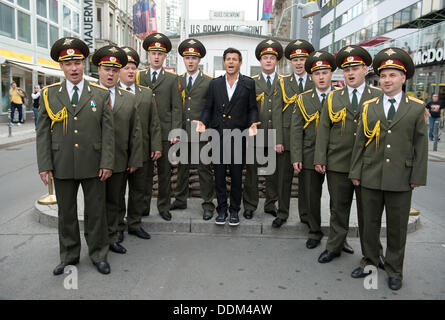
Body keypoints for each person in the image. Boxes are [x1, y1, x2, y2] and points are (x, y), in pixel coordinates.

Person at [349, 47, 428, 290]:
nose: (387, 80)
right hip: (370, 174)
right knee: (368, 224)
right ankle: (370, 261)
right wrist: (355, 172)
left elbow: (420, 145)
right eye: (383, 76)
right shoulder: (369, 106)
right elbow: (360, 142)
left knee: (397, 227)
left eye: (392, 75)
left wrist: (417, 177)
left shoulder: (416, 107)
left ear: (403, 78)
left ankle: (395, 270)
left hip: (401, 178)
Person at [36, 37, 114, 275]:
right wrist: (45, 165)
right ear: (61, 67)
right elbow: (42, 134)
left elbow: (108, 133)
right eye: (68, 63)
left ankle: (99, 254)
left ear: (84, 64)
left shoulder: (100, 94)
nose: (73, 68)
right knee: (66, 214)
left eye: (77, 62)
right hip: (62, 164)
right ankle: (69, 255)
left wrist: (107, 162)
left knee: (96, 212)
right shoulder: (50, 95)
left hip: (93, 163)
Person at [314, 45, 382, 264]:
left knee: (368, 213)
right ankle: (335, 246)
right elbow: (324, 129)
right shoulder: (334, 97)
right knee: (338, 208)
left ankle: (372, 254)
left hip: (368, 164)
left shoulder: (378, 96)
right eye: (346, 69)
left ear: (365, 69)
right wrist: (320, 159)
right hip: (338, 163)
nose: (351, 73)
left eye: (355, 68)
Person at [197, 47, 259, 226]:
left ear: (240, 63)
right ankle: (221, 210)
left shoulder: (248, 84)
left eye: (234, 59)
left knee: (237, 176)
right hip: (218, 135)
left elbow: (252, 108)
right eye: (228, 59)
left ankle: (234, 211)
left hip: (239, 136)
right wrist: (203, 123)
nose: (231, 62)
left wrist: (253, 124)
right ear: (223, 62)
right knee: (219, 175)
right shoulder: (215, 84)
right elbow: (208, 107)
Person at [92, 45, 143, 255]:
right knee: (95, 205)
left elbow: (135, 132)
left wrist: (133, 159)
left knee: (115, 201)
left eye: (115, 70)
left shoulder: (128, 98)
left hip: (120, 160)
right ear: (99, 70)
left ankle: (112, 237)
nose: (110, 73)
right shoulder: (87, 94)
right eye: (106, 69)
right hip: (93, 160)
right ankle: (96, 241)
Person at [290, 50, 336, 249]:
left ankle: (337, 238)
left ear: (331, 74)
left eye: (325, 72)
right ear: (311, 76)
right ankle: (315, 231)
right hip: (309, 153)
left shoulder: (339, 97)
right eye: (317, 73)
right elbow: (296, 129)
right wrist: (296, 156)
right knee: (311, 196)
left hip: (336, 156)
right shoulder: (303, 98)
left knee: (338, 200)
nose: (321, 77)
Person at [136, 32, 182, 222]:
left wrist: (176, 132)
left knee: (164, 173)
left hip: (165, 134)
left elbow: (177, 107)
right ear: (148, 55)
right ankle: (143, 207)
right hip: (143, 134)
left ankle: (163, 206)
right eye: (153, 53)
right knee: (144, 173)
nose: (156, 57)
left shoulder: (172, 79)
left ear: (165, 57)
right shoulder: (139, 77)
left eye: (160, 54)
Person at [118, 46, 162, 242]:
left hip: (142, 151)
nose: (130, 71)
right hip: (119, 152)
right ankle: (118, 225)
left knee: (139, 190)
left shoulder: (146, 93)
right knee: (117, 192)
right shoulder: (110, 93)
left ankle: (134, 223)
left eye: (133, 67)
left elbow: (154, 122)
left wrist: (156, 146)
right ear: (119, 70)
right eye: (126, 67)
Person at [170, 38, 216, 220]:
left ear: (199, 60)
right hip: (182, 132)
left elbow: (212, 108)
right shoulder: (177, 80)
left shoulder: (209, 82)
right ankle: (180, 200)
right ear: (183, 59)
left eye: (194, 58)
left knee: (204, 169)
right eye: (187, 57)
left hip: (202, 133)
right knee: (182, 168)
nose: (190, 61)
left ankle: (207, 204)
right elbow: (174, 107)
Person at [242, 39, 284, 226]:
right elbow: (246, 109)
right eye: (265, 58)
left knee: (272, 172)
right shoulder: (251, 82)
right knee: (251, 172)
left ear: (276, 61)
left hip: (275, 135)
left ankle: (270, 204)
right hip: (255, 134)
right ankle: (250, 205)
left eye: (271, 58)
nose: (268, 61)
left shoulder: (284, 83)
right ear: (260, 61)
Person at [280, 39, 315, 226]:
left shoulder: (316, 81)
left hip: (309, 140)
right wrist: (278, 139)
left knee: (306, 182)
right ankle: (282, 213)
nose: (299, 63)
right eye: (295, 60)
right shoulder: (283, 83)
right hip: (286, 139)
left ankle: (306, 216)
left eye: (303, 59)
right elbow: (277, 113)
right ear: (290, 62)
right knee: (284, 180)